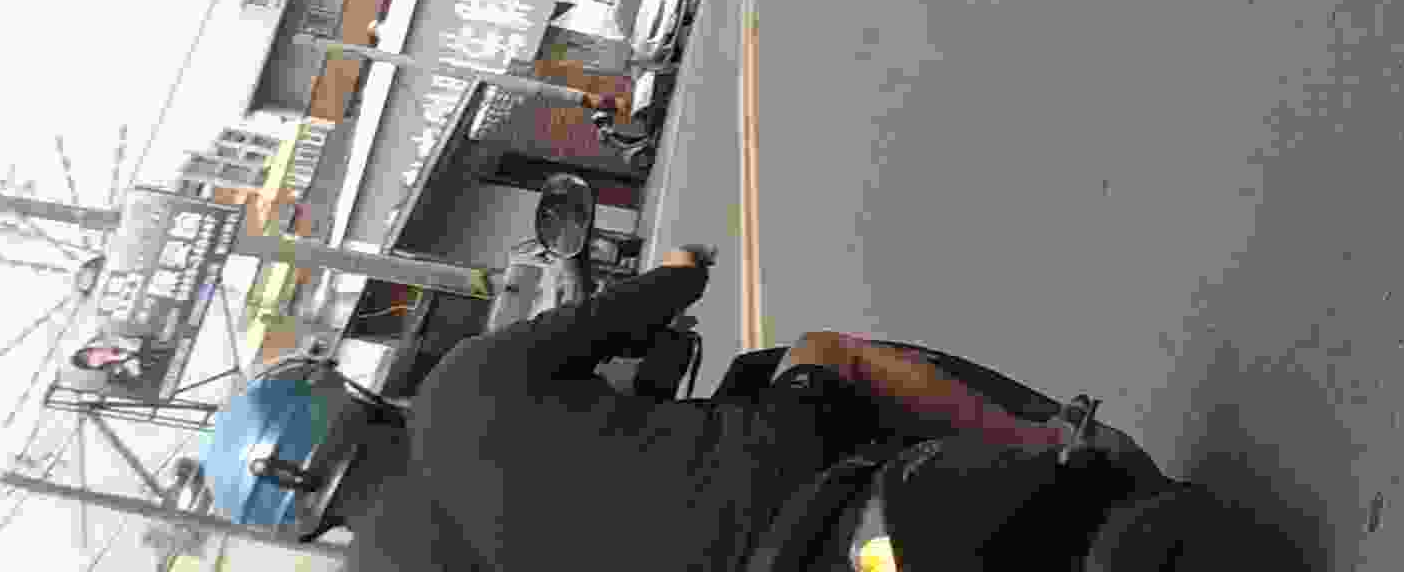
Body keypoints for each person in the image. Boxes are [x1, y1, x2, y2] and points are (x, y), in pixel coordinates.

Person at [345, 244, 1070, 572]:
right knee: (827, 352)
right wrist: (682, 270)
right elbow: (633, 306)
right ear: (362, 405)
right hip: (773, 473)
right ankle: (1053, 439)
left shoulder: (383, 560)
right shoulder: (458, 385)